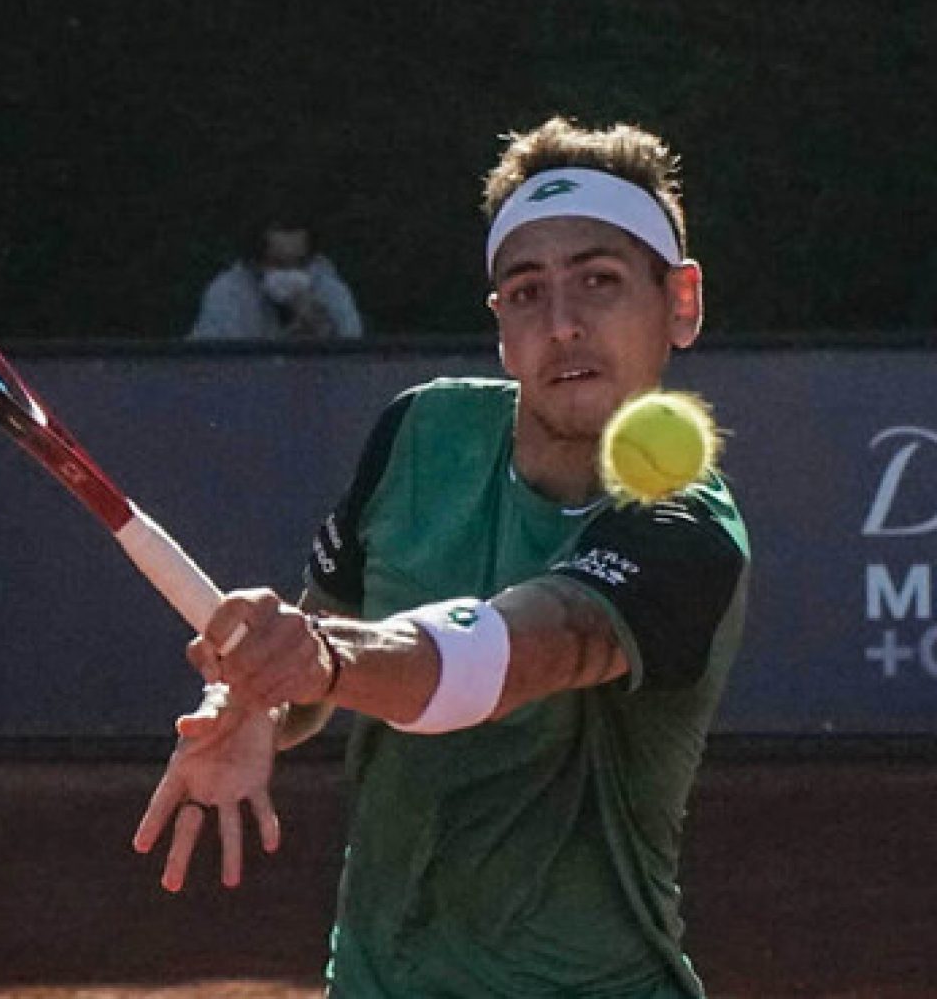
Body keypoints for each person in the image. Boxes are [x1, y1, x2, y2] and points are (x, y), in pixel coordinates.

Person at [135, 115, 751, 999]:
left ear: (680, 303)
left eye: (601, 282)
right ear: (500, 322)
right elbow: (317, 652)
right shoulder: (420, 432)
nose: (564, 324)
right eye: (527, 292)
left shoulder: (685, 524)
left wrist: (325, 660)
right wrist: (257, 704)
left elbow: (509, 655)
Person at [188, 218, 365, 340]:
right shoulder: (227, 294)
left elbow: (355, 357)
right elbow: (213, 366)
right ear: (254, 264)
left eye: (299, 264)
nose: (291, 274)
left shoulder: (329, 289)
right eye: (279, 264)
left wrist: (324, 329)